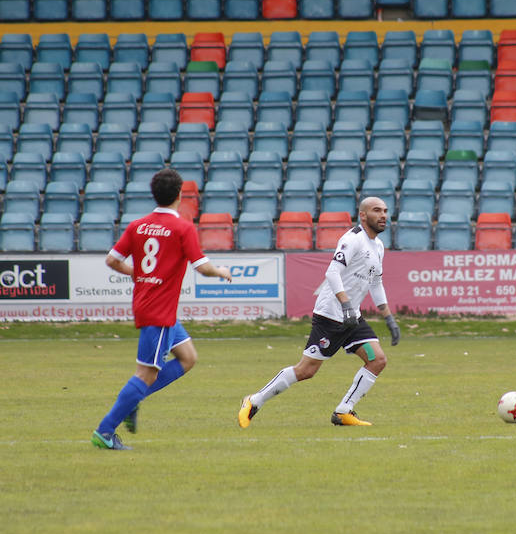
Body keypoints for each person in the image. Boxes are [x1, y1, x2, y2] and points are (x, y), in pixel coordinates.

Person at [91, 169, 232, 450]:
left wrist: (138, 273)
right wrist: (220, 271)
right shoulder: (182, 228)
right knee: (146, 374)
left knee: (188, 357)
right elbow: (202, 267)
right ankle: (105, 431)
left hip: (153, 307)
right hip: (159, 313)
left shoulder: (138, 226)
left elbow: (111, 260)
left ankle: (135, 398)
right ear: (180, 195)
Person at [238, 196, 400, 428]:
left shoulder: (378, 246)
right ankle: (254, 401)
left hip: (351, 318)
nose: (383, 215)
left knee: (377, 359)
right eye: (377, 210)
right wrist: (345, 305)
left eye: (385, 210)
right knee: (306, 370)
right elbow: (332, 273)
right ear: (363, 215)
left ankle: (344, 411)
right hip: (331, 315)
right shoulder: (352, 239)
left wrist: (389, 318)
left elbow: (375, 284)